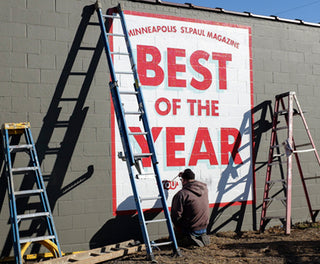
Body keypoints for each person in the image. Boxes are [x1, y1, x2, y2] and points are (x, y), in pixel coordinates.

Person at [171, 168, 210, 247]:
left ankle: (186, 239)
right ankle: (200, 237)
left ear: (183, 180)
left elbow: (175, 216)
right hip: (204, 227)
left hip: (191, 229)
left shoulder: (182, 194)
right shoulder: (204, 189)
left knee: (176, 226)